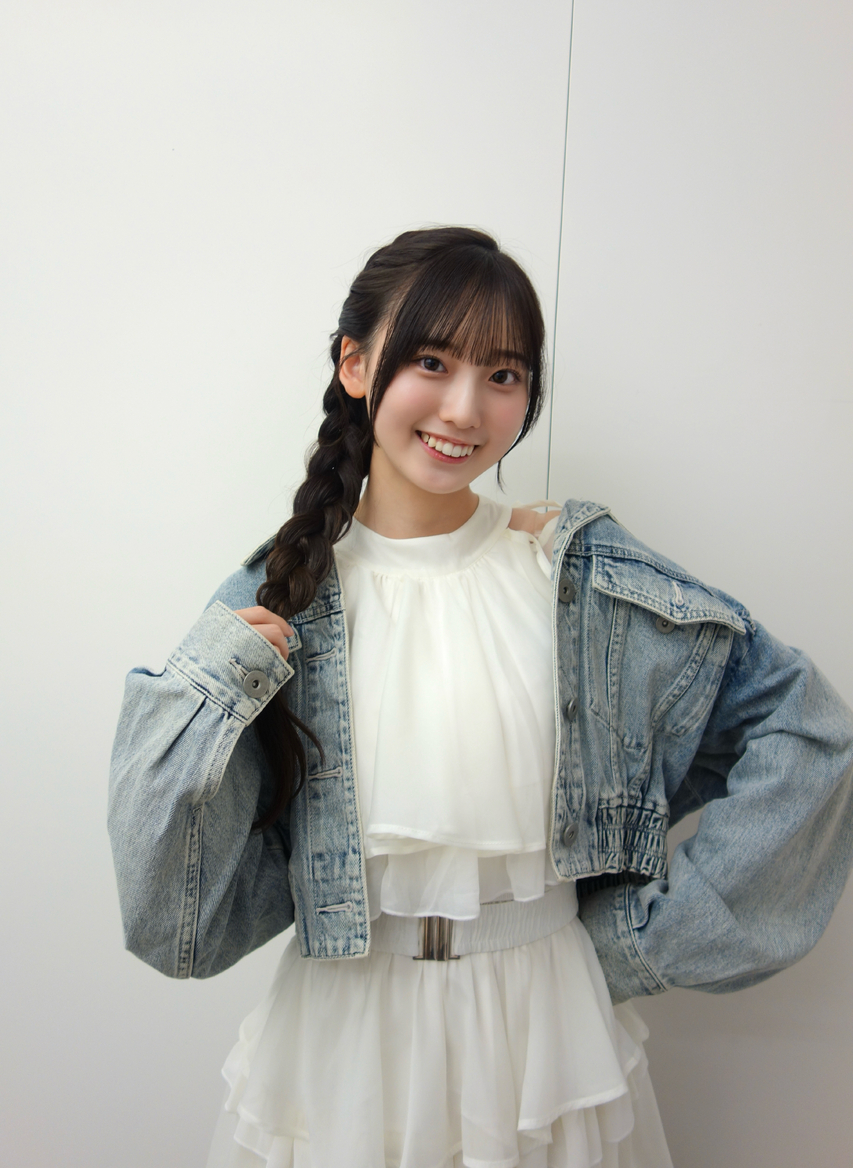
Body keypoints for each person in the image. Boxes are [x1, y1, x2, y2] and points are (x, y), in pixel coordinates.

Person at [108, 226, 853, 1168]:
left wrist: (645, 943)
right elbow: (167, 923)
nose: (464, 409)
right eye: (431, 361)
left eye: (503, 375)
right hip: (344, 1038)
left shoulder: (571, 575)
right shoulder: (281, 597)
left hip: (548, 1035)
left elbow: (804, 727)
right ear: (354, 364)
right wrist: (214, 676)